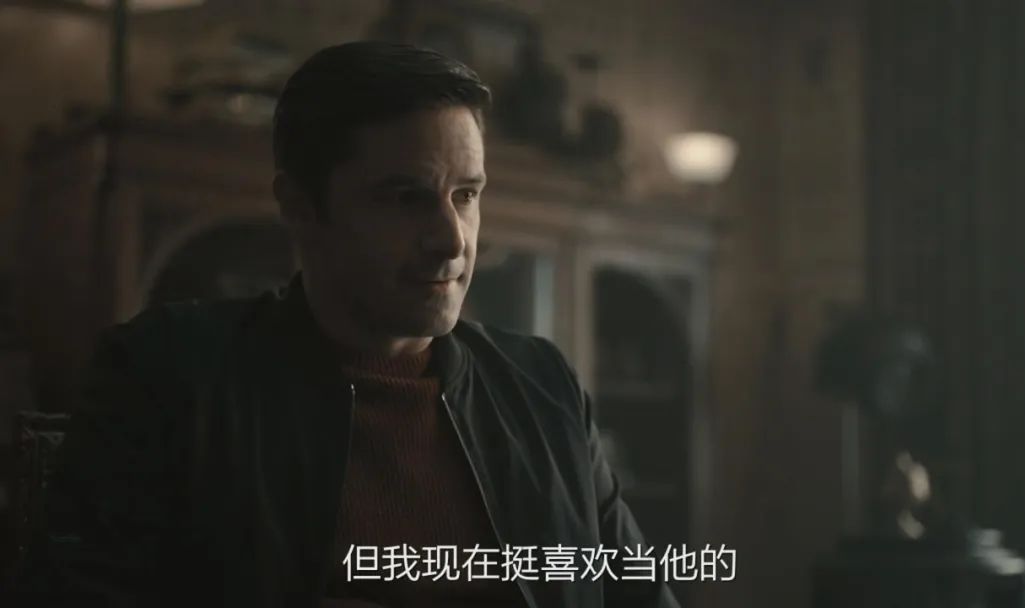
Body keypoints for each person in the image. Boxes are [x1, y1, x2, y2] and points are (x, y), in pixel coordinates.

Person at [7, 41, 679, 608]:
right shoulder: (170, 376)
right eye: (406, 198)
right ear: (300, 205)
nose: (453, 239)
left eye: (467, 195)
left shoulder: (543, 387)